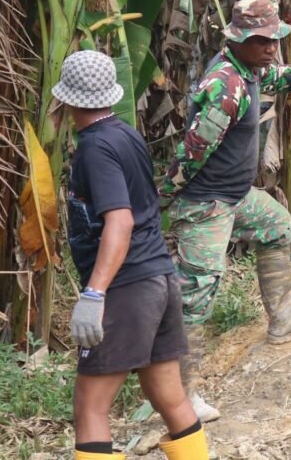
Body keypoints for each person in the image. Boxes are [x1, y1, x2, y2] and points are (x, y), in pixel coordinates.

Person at [160, 0, 291, 422]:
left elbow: (284, 75)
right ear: (237, 39)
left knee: (276, 226)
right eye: (263, 41)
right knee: (196, 295)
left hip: (235, 197)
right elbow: (193, 152)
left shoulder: (249, 70)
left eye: (275, 40)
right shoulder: (227, 86)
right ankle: (179, 394)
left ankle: (283, 317)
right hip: (207, 204)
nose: (272, 48)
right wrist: (162, 199)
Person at [55, 51, 208, 460]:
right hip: (159, 278)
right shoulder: (125, 133)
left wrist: (94, 293)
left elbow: (119, 222)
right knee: (170, 397)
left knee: (90, 406)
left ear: (68, 99)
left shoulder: (94, 148)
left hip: (126, 288)